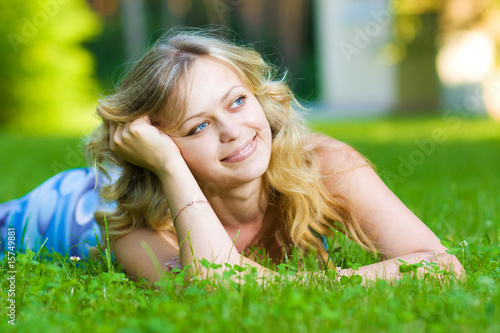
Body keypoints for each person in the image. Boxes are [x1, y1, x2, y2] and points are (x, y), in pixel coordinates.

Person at [1, 28, 464, 283]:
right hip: (69, 208)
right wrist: (167, 168)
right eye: (198, 126)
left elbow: (444, 266)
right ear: (160, 147)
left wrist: (317, 284)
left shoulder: (325, 164)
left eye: (237, 101)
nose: (233, 132)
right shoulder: (133, 222)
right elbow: (218, 291)